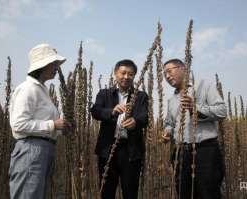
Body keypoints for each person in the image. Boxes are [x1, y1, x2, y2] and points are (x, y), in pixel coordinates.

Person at [161, 58, 227, 199]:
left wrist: (195, 109)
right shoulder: (171, 100)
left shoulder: (204, 86)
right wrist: (167, 132)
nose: (167, 76)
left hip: (205, 151)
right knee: (184, 193)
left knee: (209, 193)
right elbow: (169, 123)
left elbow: (222, 111)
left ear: (183, 68)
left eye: (169, 71)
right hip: (181, 153)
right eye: (164, 74)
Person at [9, 43, 66, 199]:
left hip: (43, 149)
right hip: (31, 149)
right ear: (42, 65)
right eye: (54, 64)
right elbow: (19, 124)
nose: (57, 67)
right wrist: (53, 124)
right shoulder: (28, 89)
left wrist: (61, 128)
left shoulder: (41, 90)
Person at [91, 59, 148, 199]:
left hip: (131, 150)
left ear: (134, 76)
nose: (126, 77)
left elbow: (145, 117)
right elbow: (95, 111)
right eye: (123, 73)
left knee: (130, 191)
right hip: (107, 149)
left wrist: (135, 122)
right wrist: (111, 112)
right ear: (115, 74)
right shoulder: (104, 94)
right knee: (106, 190)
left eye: (130, 74)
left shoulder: (141, 96)